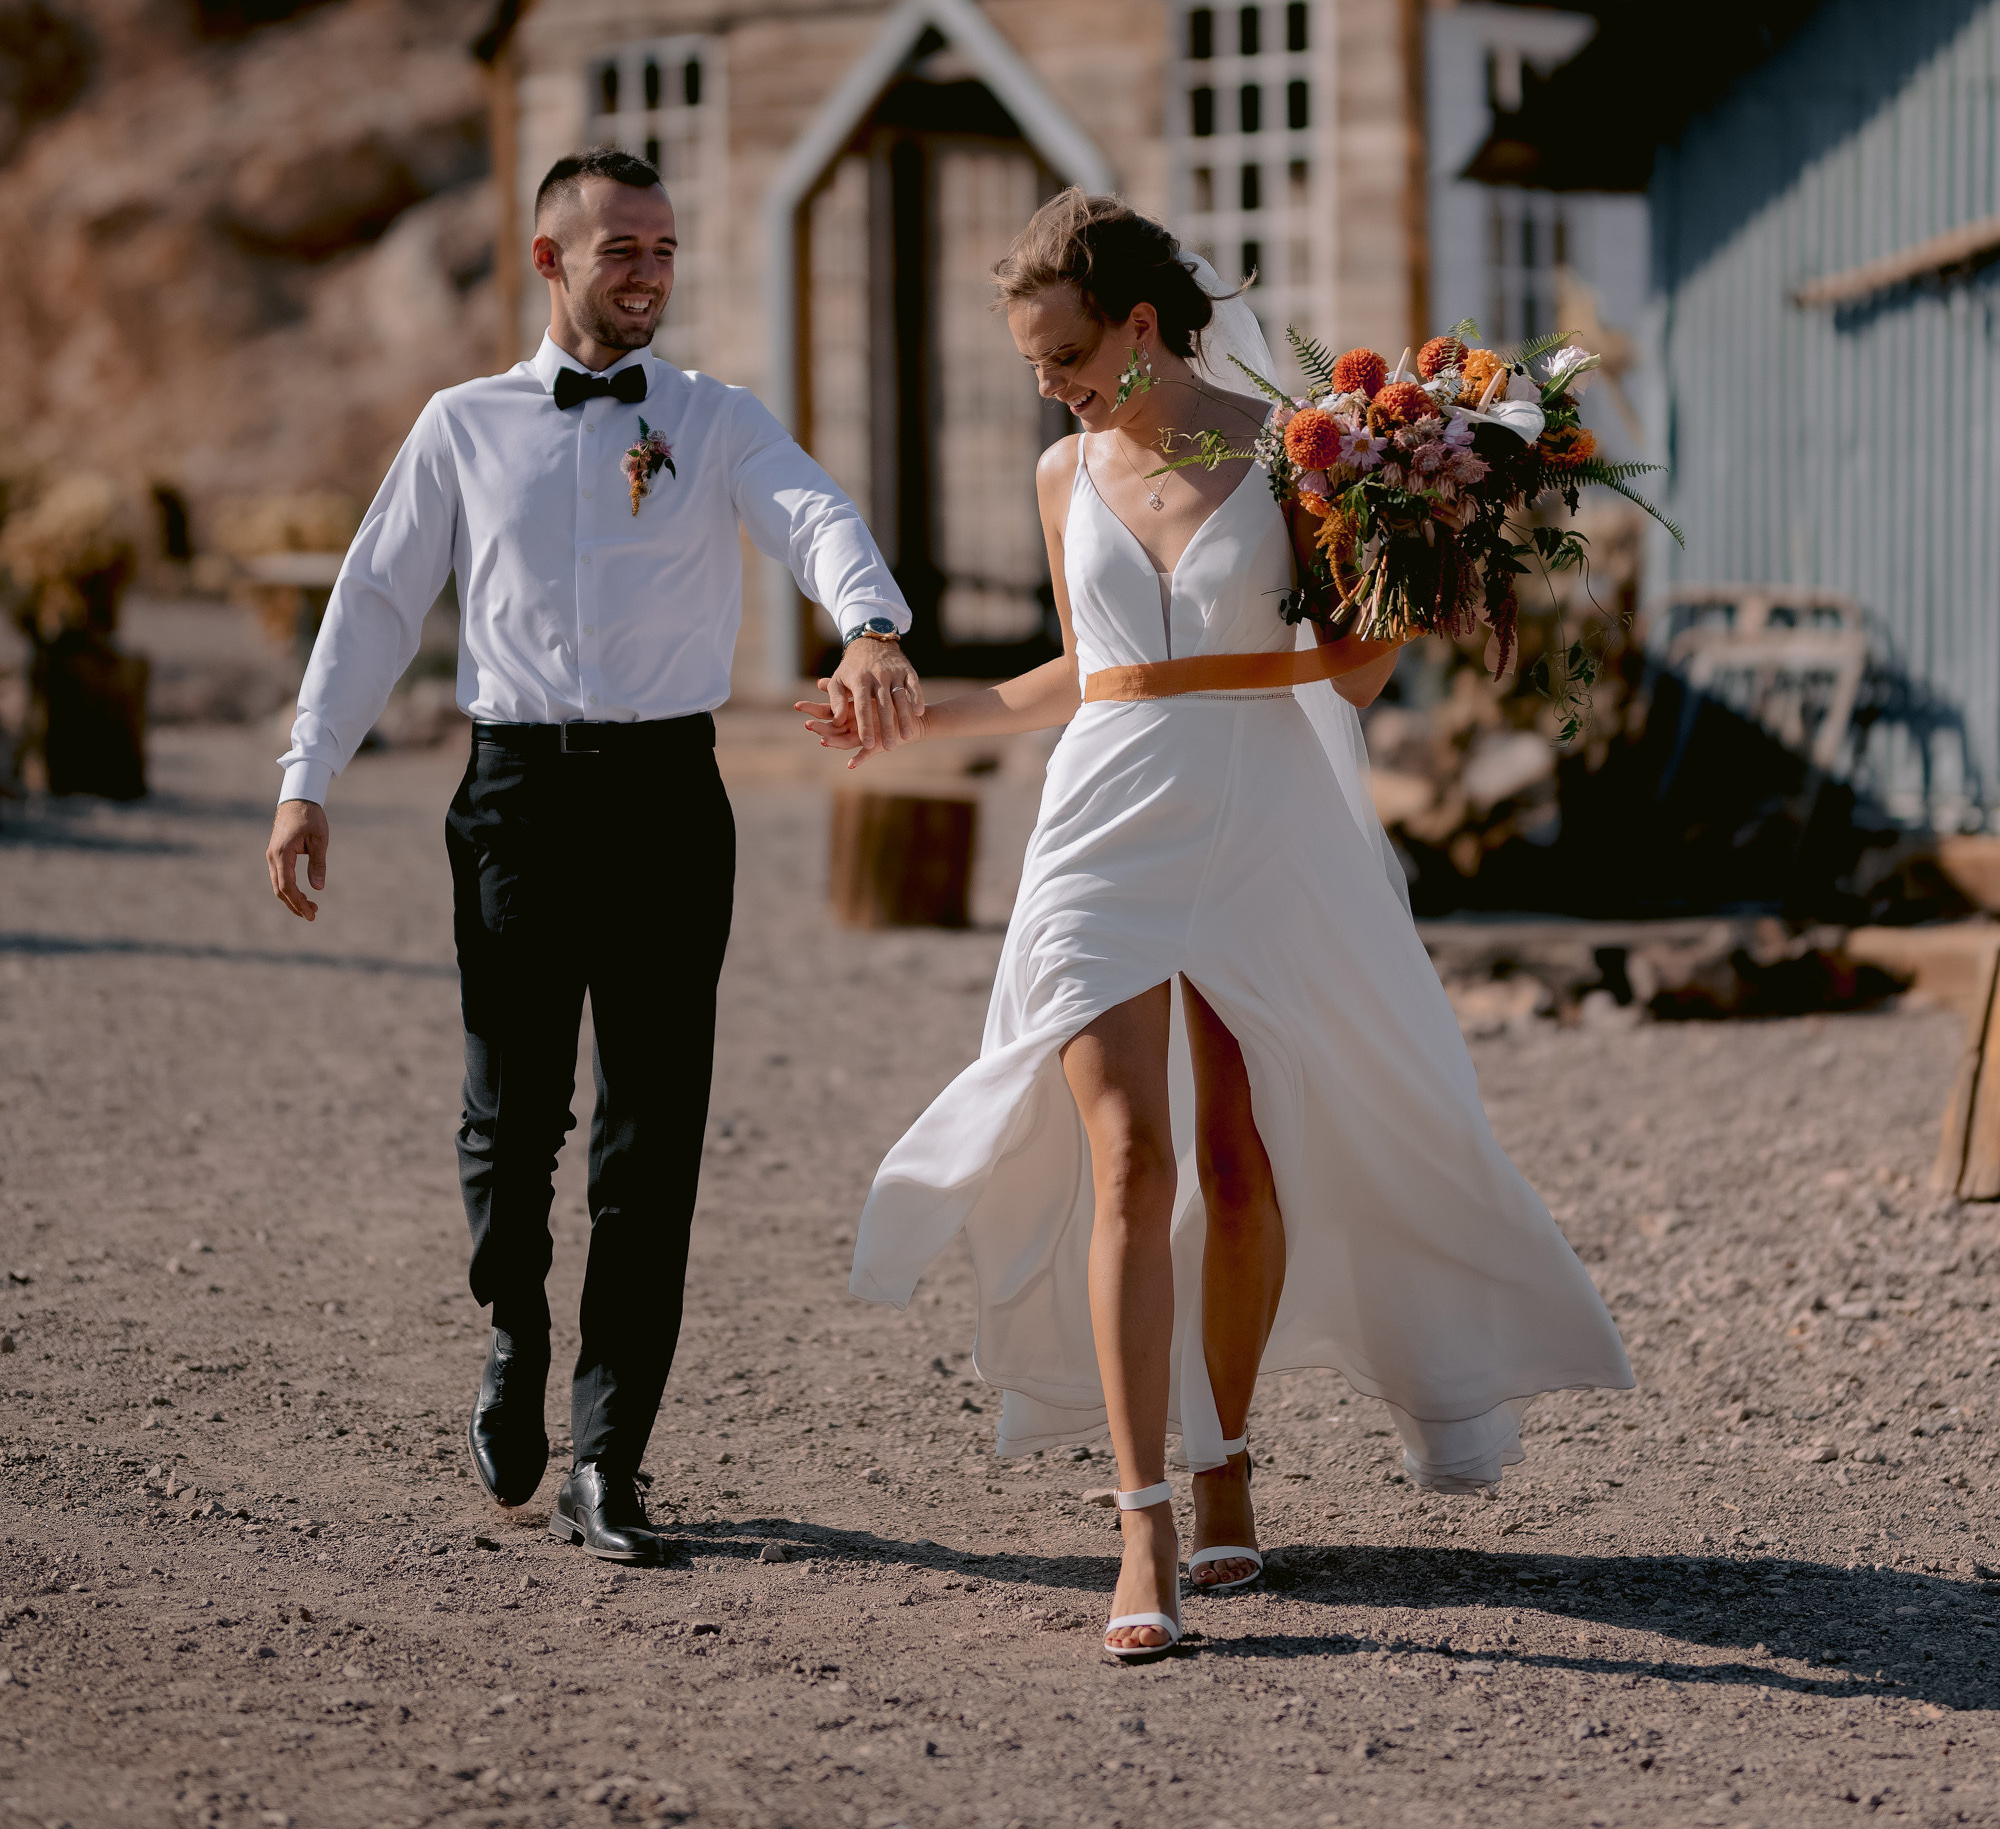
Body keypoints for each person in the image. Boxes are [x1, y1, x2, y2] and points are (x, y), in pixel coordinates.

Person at [806, 191, 1630, 1663]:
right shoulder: (1062, 474)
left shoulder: (1297, 451)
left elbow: (1349, 679)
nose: (1048, 384)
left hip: (1265, 806)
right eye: (1031, 363)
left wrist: (1416, 565)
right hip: (1105, 818)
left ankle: (1228, 1451)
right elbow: (1078, 667)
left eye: (1062, 352)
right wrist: (926, 714)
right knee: (1131, 1153)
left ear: (1139, 324)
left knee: (1240, 1153)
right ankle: (1142, 1522)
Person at [264, 147, 923, 1562]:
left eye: (666, 248)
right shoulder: (459, 426)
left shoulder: (716, 417)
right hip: (515, 795)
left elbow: (813, 516)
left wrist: (869, 622)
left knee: (652, 1134)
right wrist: (306, 775)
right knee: (513, 1123)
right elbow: (377, 598)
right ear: (550, 259)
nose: (650, 272)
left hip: (670, 801)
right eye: (622, 247)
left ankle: (610, 1458)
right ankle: (513, 1319)